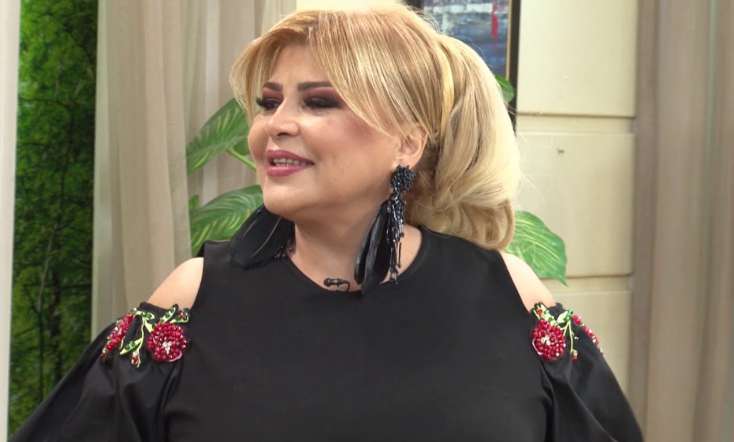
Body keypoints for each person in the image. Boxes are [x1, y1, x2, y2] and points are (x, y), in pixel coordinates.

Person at [11, 4, 644, 441]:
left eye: (318, 102)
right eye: (269, 102)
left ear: (407, 142)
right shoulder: (193, 298)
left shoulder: (509, 294)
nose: (275, 124)